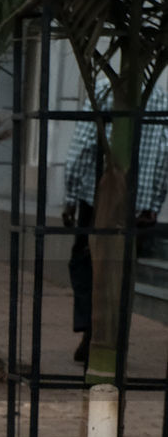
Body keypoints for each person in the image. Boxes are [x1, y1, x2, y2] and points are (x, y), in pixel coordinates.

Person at [63, 100, 168, 363]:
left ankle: (91, 329)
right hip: (136, 203)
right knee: (123, 268)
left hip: (96, 195)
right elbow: (165, 155)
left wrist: (71, 197)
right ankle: (112, 334)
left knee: (86, 262)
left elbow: (83, 148)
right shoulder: (161, 98)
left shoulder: (101, 91)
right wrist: (153, 203)